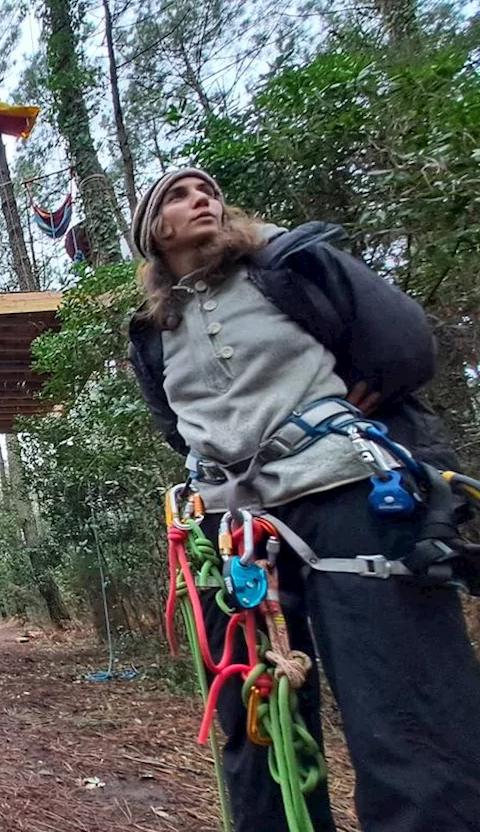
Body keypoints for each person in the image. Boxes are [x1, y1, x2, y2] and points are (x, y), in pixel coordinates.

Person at [127, 169, 480, 832]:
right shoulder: (152, 329)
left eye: (208, 190)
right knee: (258, 715)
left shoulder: (287, 264)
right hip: (234, 528)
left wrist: (363, 390)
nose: (202, 198)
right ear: (154, 230)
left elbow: (406, 344)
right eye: (178, 194)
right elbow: (175, 427)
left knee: (402, 703)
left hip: (348, 491)